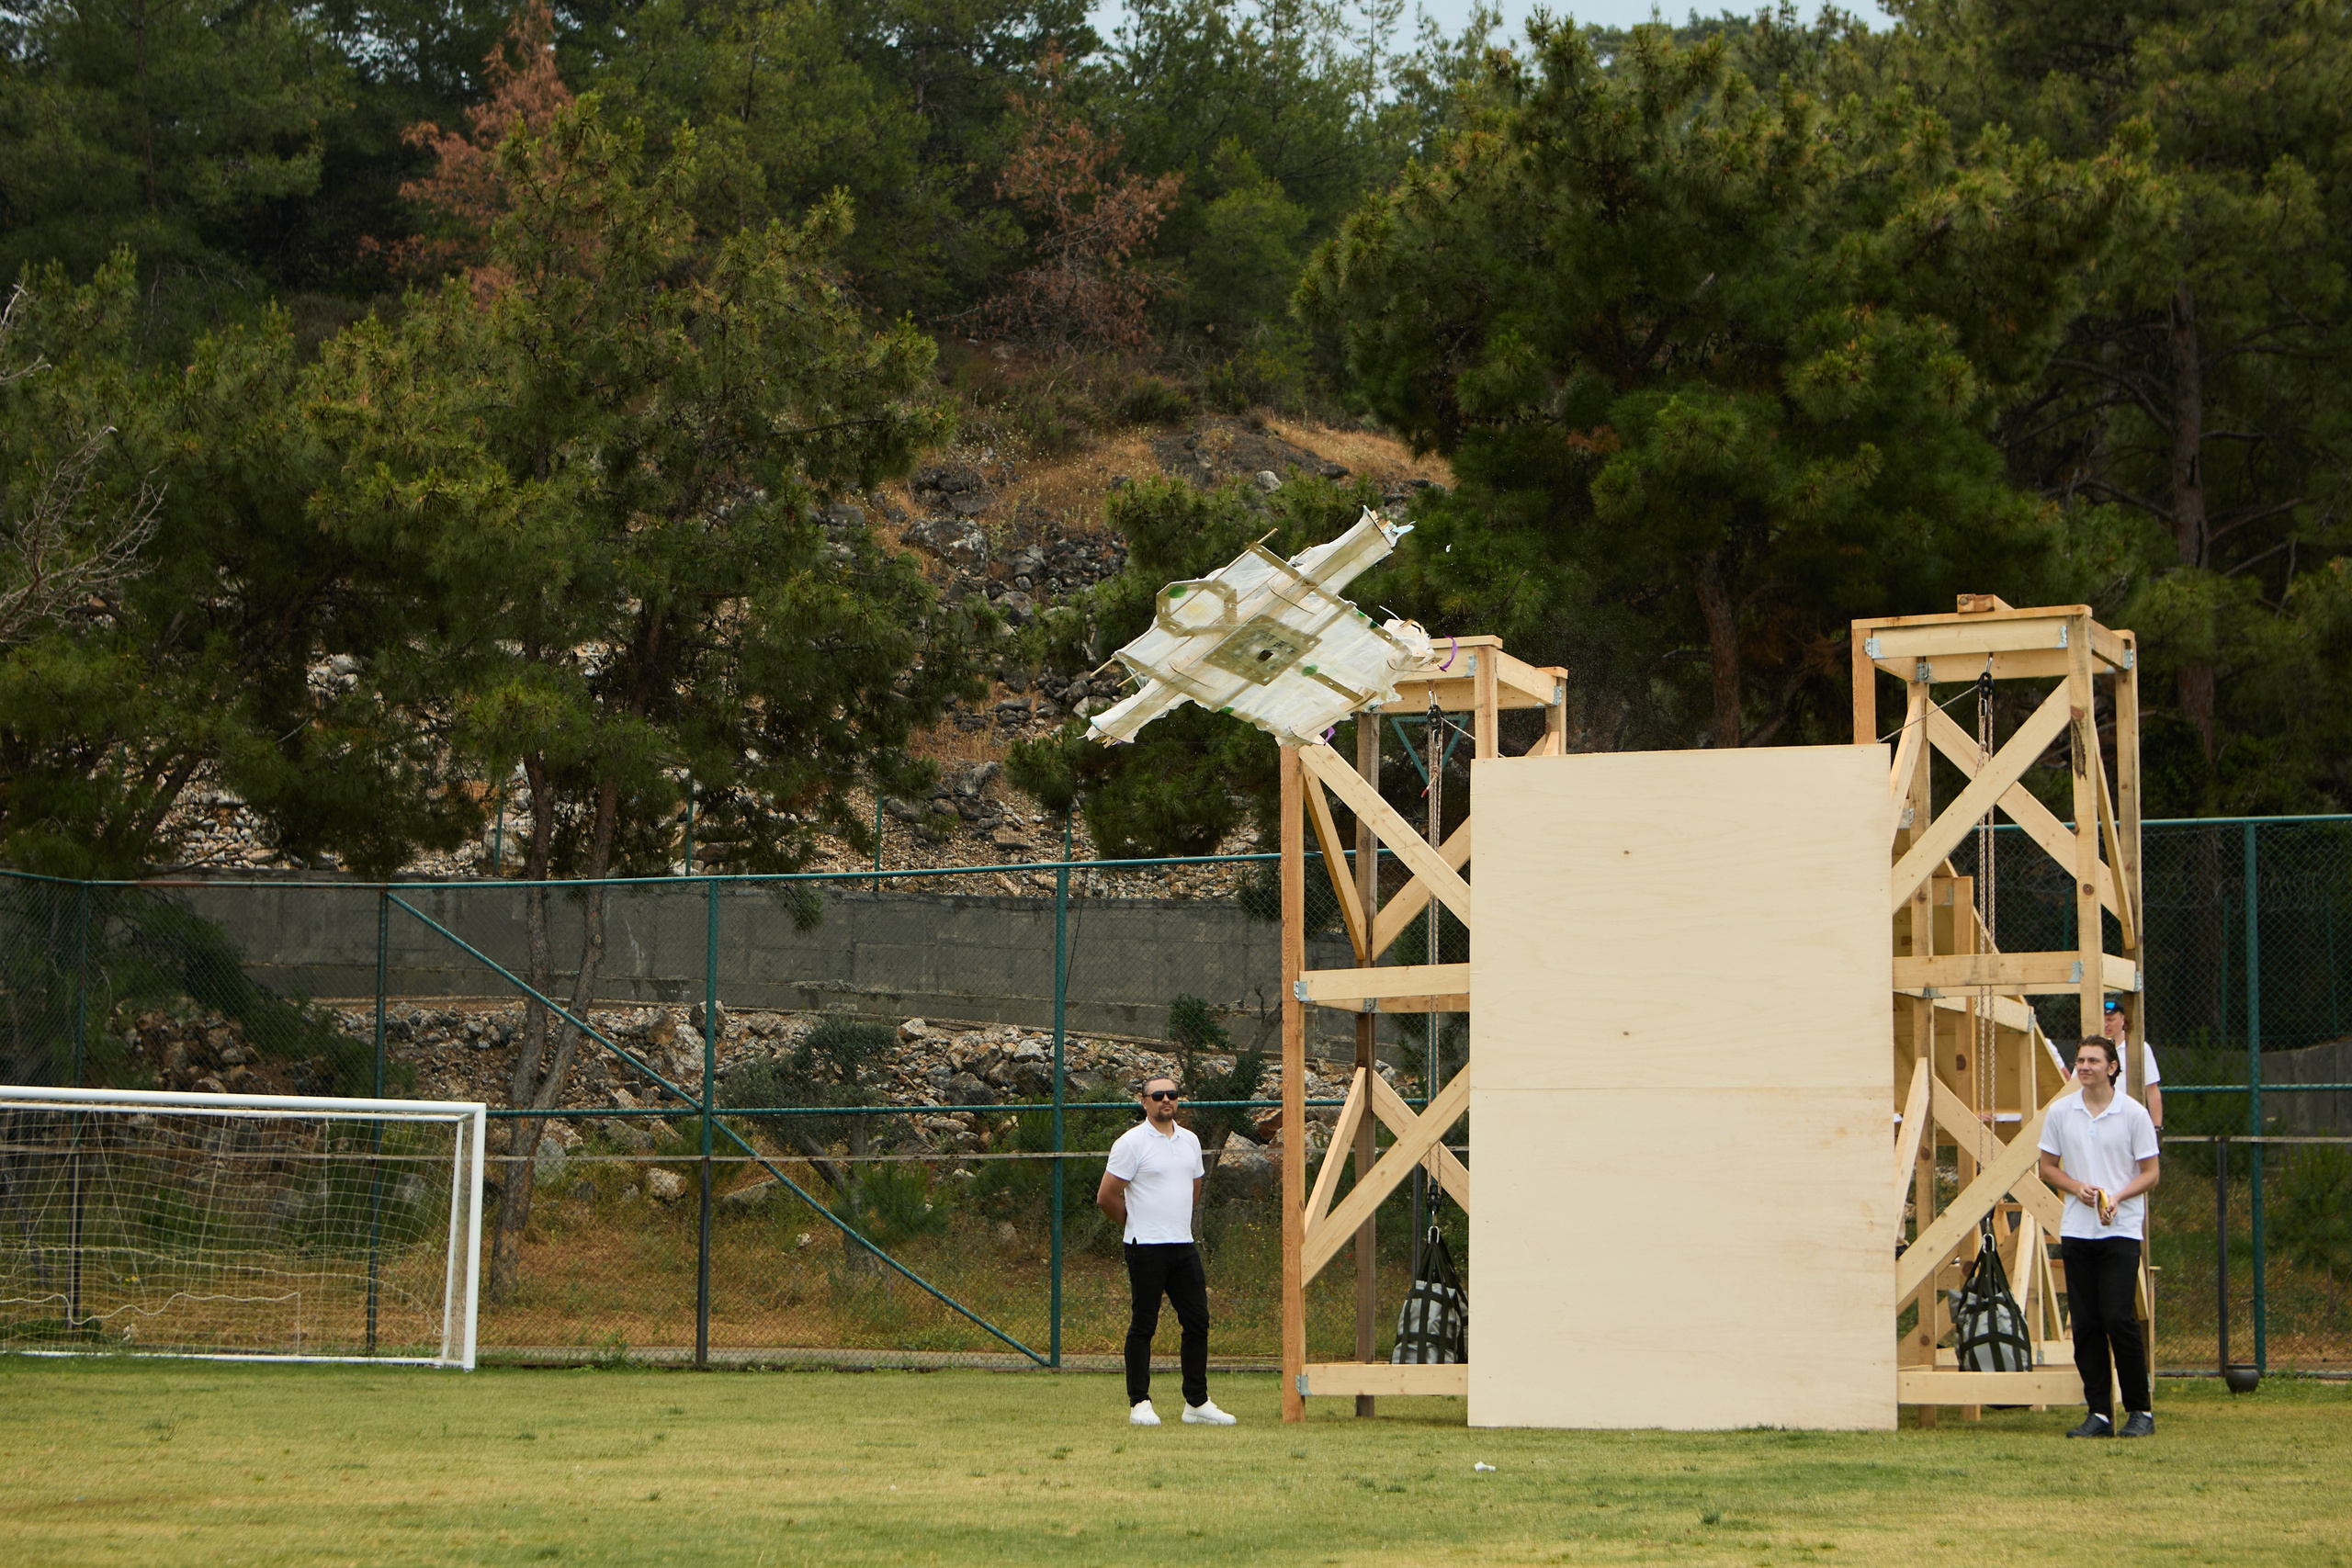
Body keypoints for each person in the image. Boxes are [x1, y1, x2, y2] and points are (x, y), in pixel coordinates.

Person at [2038, 1036, 2161, 1438]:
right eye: (2080, 1060)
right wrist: (2077, 1189)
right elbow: (2047, 1168)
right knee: (2087, 1323)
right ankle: (2099, 1414)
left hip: (2120, 1230)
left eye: (2093, 1060)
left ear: (2112, 1067)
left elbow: (2150, 1172)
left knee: (2117, 1317)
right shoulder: (2060, 1113)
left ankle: (2140, 1411)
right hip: (2076, 1230)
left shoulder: (2134, 1114)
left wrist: (2117, 1196)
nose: (2084, 1066)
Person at [1098, 1075, 1237, 1427]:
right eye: (1157, 1095)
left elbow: (1193, 1188)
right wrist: (1138, 1224)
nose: (1165, 1100)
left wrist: (1175, 1226)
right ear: (1143, 1101)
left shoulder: (1190, 1141)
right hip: (1145, 1248)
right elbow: (1106, 1196)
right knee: (1144, 1324)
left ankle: (1196, 1402)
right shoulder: (1131, 1143)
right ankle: (1139, 1402)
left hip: (1182, 1246)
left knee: (1197, 1321)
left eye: (1172, 1094)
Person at [2102, 998, 2164, 1134]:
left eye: (2111, 1019)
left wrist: (2157, 1128)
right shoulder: (2092, 1048)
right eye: (2103, 1019)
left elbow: (2152, 1089)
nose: (2106, 1024)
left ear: (2123, 1019)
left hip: (2130, 1123)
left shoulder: (2141, 1048)